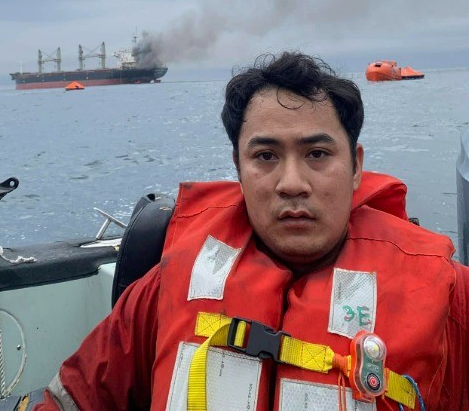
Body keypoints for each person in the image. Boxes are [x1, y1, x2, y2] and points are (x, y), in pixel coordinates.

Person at [36, 52, 469, 410]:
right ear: (238, 170)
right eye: (265, 156)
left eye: (317, 154)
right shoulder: (166, 286)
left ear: (356, 167)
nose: (292, 183)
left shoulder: (449, 295)